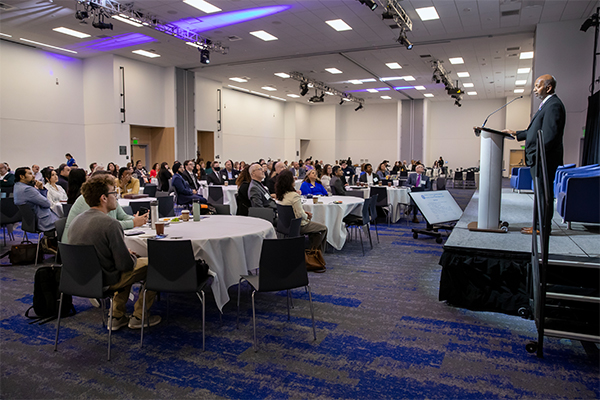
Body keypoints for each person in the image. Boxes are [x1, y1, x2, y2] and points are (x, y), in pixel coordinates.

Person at [68, 174, 160, 330]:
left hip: (80, 279)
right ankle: (140, 316)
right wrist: (128, 254)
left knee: (126, 265)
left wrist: (123, 253)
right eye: (114, 194)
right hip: (105, 280)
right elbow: (125, 265)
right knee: (157, 263)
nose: (116, 198)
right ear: (104, 198)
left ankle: (117, 316)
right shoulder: (110, 224)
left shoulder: (76, 220)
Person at [502, 74, 566, 234]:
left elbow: (549, 136)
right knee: (540, 194)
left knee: (544, 194)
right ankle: (538, 225)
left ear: (548, 87)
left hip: (544, 159)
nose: (535, 89)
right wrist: (516, 133)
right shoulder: (547, 105)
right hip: (540, 158)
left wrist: (535, 154)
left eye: (538, 86)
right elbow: (534, 131)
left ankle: (543, 227)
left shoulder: (553, 105)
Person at [63, 170, 148, 244]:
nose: (116, 194)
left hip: (92, 249)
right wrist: (133, 222)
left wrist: (137, 219)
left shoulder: (110, 199)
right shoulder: (89, 200)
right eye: (112, 188)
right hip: (77, 251)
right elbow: (108, 225)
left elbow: (122, 216)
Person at [276, 170, 327, 252]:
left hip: (285, 225)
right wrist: (307, 216)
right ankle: (315, 254)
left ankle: (312, 250)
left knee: (316, 233)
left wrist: (304, 214)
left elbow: (292, 211)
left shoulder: (280, 195)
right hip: (298, 225)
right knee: (324, 228)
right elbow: (300, 215)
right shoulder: (294, 196)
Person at [13, 167, 59, 249]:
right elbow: (47, 203)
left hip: (29, 222)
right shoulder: (28, 189)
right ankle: (51, 244)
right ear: (22, 176)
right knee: (64, 222)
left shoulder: (17, 186)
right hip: (42, 220)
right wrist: (41, 189)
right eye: (30, 174)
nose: (33, 176)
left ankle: (49, 241)